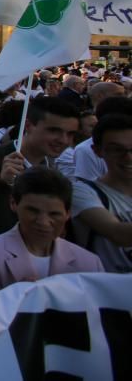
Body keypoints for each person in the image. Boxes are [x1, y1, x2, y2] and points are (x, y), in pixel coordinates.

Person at [0, 97, 79, 254]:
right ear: (28, 126)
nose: (63, 140)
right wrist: (0, 183)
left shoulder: (53, 173)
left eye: (70, 134)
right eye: (54, 131)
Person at [0, 168, 103, 294]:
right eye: (33, 211)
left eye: (54, 214)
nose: (43, 222)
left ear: (68, 214)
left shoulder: (89, 263)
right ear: (13, 203)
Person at [70, 113, 132, 273]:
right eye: (117, 150)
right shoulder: (83, 192)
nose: (128, 157)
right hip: (108, 291)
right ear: (97, 151)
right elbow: (117, 233)